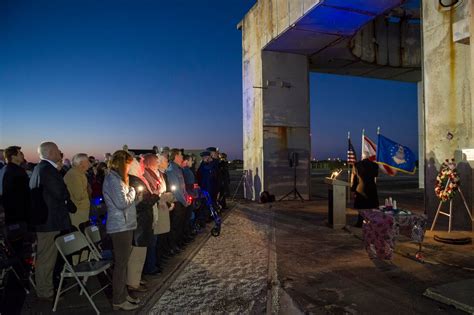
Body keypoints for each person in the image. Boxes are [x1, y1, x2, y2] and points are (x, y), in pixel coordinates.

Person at [29, 141, 73, 301]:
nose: (60, 153)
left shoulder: (40, 168)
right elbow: (61, 193)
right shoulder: (48, 170)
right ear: (50, 153)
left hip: (46, 221)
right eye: (57, 150)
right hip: (49, 222)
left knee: (46, 257)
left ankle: (46, 289)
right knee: (47, 258)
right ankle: (45, 291)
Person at [103, 150, 139, 311]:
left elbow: (127, 204)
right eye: (129, 164)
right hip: (120, 227)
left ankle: (123, 295)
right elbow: (122, 203)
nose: (130, 168)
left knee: (123, 264)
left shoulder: (119, 179)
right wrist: (133, 191)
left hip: (126, 225)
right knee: (121, 264)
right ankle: (118, 299)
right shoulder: (113, 180)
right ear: (122, 164)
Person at [127, 157, 159, 289]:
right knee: (137, 252)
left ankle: (137, 278)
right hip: (140, 221)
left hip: (143, 220)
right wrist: (155, 196)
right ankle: (133, 282)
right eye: (139, 164)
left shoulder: (136, 179)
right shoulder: (134, 180)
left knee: (141, 251)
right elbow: (140, 203)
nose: (142, 166)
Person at [2, 146, 30, 260]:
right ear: (13, 156)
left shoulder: (8, 169)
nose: (23, 155)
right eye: (20, 153)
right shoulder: (17, 171)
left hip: (13, 216)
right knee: (19, 250)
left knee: (16, 249)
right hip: (18, 217)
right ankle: (19, 275)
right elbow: (23, 196)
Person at [166, 148, 191, 249]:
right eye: (180, 155)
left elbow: (182, 187)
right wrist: (185, 201)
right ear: (176, 156)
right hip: (177, 202)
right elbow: (176, 189)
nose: (182, 157)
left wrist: (187, 198)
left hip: (182, 201)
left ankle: (178, 243)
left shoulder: (177, 168)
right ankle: (173, 246)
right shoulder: (172, 169)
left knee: (180, 224)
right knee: (176, 226)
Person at [64, 153, 91, 229]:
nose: (89, 163)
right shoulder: (74, 175)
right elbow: (79, 196)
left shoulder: (79, 173)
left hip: (81, 209)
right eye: (87, 161)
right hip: (78, 211)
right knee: (81, 232)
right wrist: (88, 190)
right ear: (81, 163)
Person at [351, 154, 379, 227]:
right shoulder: (375, 165)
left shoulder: (356, 165)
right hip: (371, 188)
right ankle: (371, 222)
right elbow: (375, 175)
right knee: (371, 207)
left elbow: (354, 180)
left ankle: (360, 223)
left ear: (362, 157)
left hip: (360, 189)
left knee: (361, 208)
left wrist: (353, 190)